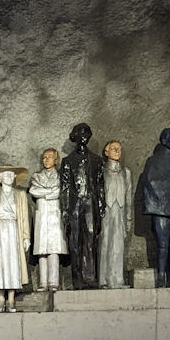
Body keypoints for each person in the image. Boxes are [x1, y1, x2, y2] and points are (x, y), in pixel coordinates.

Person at [58, 123, 104, 289]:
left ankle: (90, 276)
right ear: (75, 136)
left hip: (91, 203)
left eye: (86, 133)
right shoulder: (68, 161)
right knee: (75, 241)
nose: (84, 136)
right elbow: (65, 188)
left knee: (91, 239)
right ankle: (77, 278)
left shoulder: (97, 160)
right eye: (80, 133)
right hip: (74, 205)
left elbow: (100, 185)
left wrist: (101, 207)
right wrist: (65, 211)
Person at [140, 128, 170, 287]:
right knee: (163, 244)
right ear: (163, 140)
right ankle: (160, 277)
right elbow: (150, 182)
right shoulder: (153, 161)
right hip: (160, 207)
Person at [0, 166, 30, 312]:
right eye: (6, 175)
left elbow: (24, 218)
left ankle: (11, 299)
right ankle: (1, 299)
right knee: (0, 263)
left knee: (13, 262)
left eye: (11, 175)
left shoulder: (20, 195)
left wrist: (26, 237)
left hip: (14, 230)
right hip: (0, 230)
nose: (9, 177)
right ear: (0, 178)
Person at [28, 148, 66, 292]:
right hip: (42, 215)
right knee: (41, 250)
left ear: (56, 160)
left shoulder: (60, 177)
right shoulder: (37, 176)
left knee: (54, 249)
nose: (46, 160)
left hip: (55, 215)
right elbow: (33, 191)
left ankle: (53, 282)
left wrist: (45, 193)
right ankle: (43, 282)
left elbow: (60, 192)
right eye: (44, 157)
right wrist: (50, 192)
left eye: (50, 157)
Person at [99, 140, 133, 288]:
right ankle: (104, 279)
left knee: (118, 244)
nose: (117, 151)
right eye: (114, 149)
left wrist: (128, 217)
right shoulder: (101, 171)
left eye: (119, 149)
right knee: (105, 243)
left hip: (119, 211)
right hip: (105, 211)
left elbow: (129, 197)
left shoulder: (126, 172)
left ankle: (118, 279)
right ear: (106, 152)